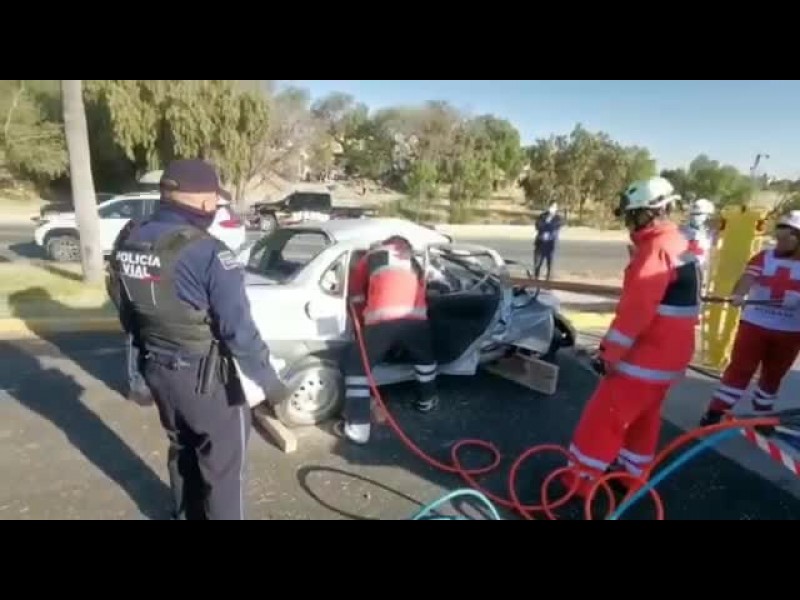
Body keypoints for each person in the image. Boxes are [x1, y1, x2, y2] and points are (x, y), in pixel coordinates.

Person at [106, 158, 288, 520]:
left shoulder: (129, 238)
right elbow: (238, 330)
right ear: (205, 201)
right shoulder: (209, 252)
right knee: (223, 472)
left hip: (156, 366)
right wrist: (271, 384)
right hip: (207, 380)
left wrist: (141, 362)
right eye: (215, 200)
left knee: (182, 448)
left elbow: (125, 306)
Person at [560, 176, 702, 498]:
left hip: (646, 358)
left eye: (633, 215)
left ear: (652, 212)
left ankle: (578, 482)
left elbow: (636, 312)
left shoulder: (655, 250)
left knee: (604, 417)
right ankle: (631, 477)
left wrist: (609, 354)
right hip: (670, 358)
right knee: (643, 419)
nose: (629, 223)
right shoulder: (678, 243)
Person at [699, 210, 800, 428]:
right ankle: (715, 412)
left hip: (790, 333)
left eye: (787, 238)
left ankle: (762, 415)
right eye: (779, 237)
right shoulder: (764, 257)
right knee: (740, 370)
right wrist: (739, 294)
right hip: (755, 326)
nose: (780, 242)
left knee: (773, 377)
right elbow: (747, 279)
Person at [339, 236, 439, 444]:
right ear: (405, 246)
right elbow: (431, 285)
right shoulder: (415, 260)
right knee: (425, 361)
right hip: (415, 321)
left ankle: (358, 428)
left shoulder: (371, 257)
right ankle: (427, 401)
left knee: (357, 368)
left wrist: (361, 323)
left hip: (381, 321)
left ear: (385, 243)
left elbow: (356, 294)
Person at [680, 198, 716, 272]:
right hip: (685, 271)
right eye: (693, 214)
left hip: (702, 271)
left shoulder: (710, 234)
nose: (695, 217)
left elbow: (709, 255)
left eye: (698, 214)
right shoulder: (681, 231)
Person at [533, 202, 563, 280]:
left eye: (554, 207)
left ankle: (548, 280)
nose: (552, 208)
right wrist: (547, 222)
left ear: (556, 208)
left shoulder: (558, 218)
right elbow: (538, 226)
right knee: (537, 264)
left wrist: (547, 225)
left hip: (550, 244)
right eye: (551, 206)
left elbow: (554, 227)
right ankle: (536, 280)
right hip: (540, 244)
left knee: (549, 265)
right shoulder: (542, 216)